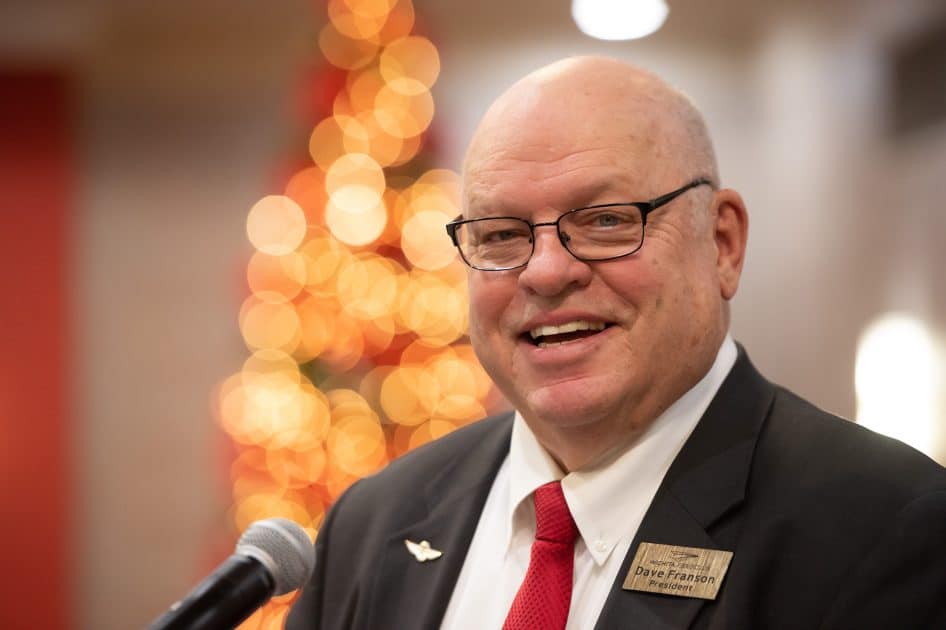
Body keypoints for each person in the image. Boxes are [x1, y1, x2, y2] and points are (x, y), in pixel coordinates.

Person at [287, 56, 946, 629]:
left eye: (605, 221)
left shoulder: (889, 531)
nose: (545, 271)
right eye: (501, 234)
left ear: (722, 244)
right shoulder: (373, 525)